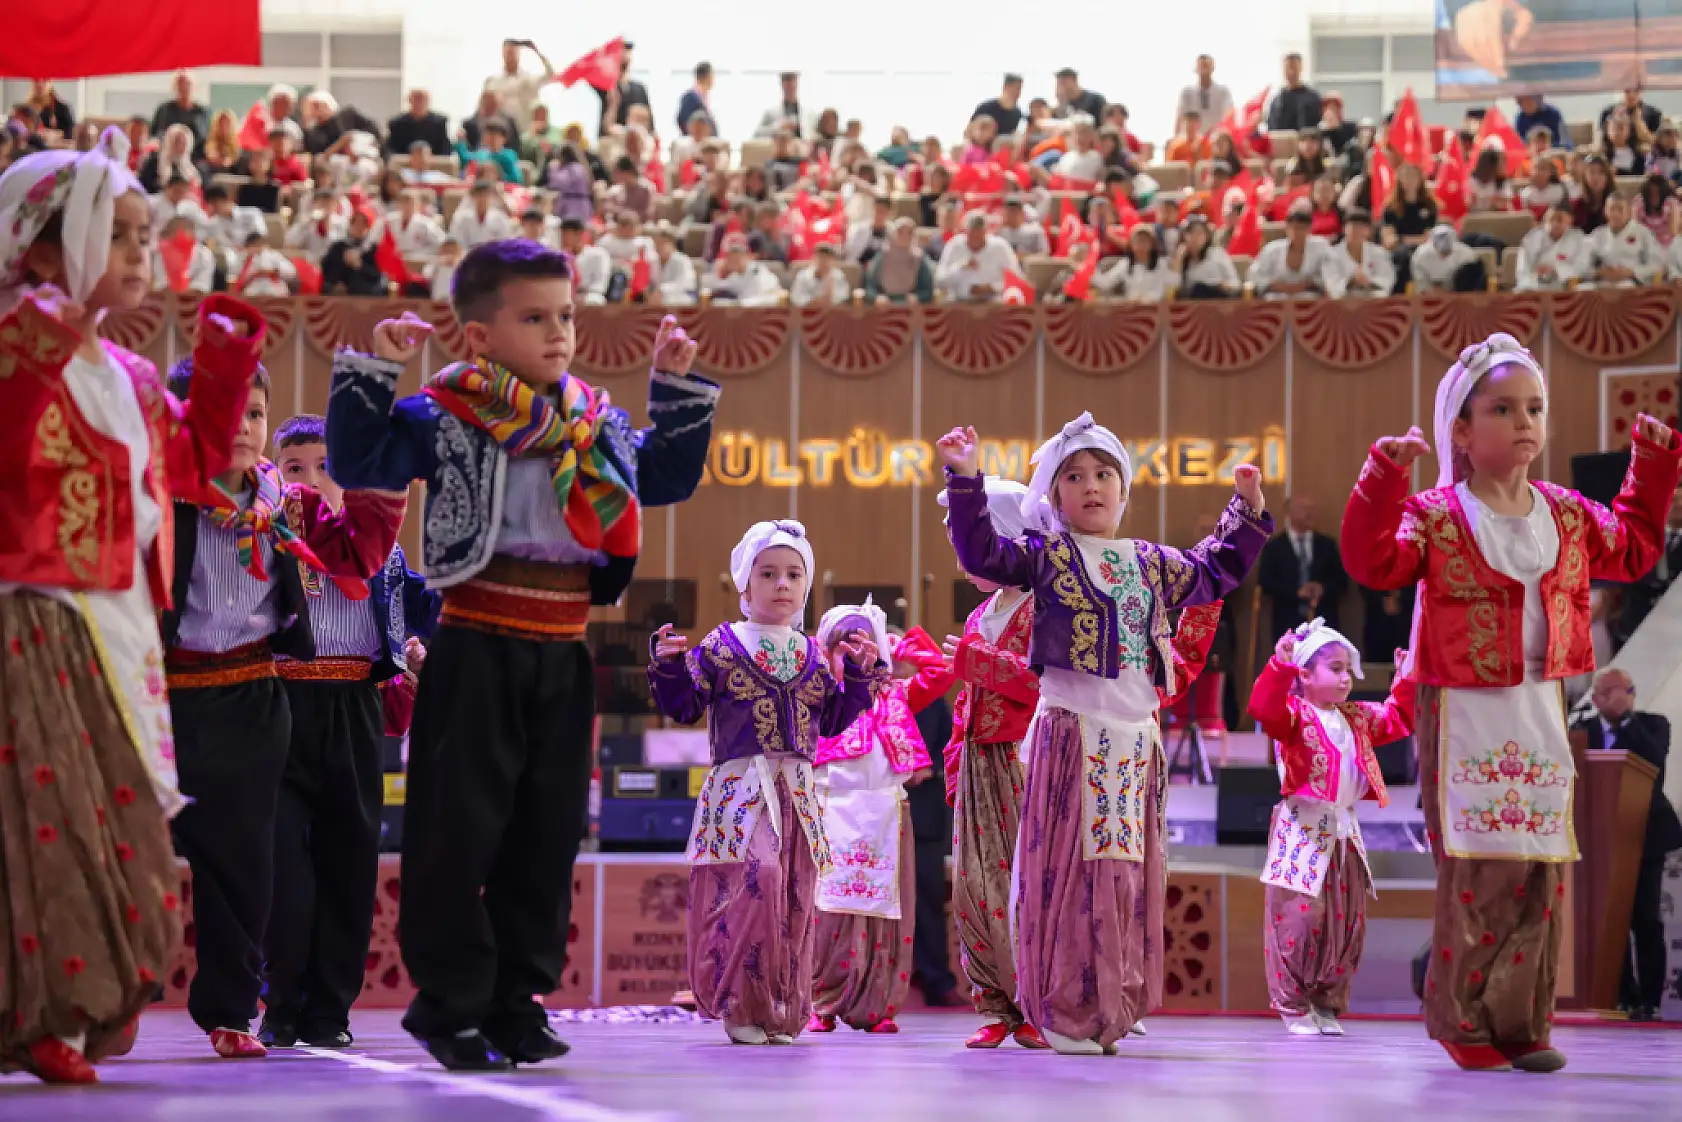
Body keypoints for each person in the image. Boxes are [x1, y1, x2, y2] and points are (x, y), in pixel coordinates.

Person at [323, 248, 718, 1070]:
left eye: (566, 316)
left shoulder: (595, 423)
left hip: (563, 654)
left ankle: (513, 1000)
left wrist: (674, 390)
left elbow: (667, 478)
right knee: (456, 834)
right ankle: (450, 1006)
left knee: (546, 836)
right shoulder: (449, 415)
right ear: (479, 335)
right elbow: (362, 460)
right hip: (476, 646)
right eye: (535, 318)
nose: (559, 334)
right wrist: (375, 369)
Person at [0, 130, 267, 1085]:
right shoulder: (18, 347)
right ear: (42, 247)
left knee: (118, 825)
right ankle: (52, 1017)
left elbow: (193, 468)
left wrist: (227, 359)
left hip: (120, 629)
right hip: (30, 621)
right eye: (116, 234)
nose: (139, 256)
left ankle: (66, 1014)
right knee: (53, 815)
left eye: (144, 236)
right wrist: (46, 314)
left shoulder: (131, 375)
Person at [1341, 333, 1681, 1072]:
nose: (1525, 420)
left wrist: (1651, 469)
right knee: (1479, 869)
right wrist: (1383, 478)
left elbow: (1633, 550)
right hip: (1463, 711)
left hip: (1540, 709)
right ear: (1461, 430)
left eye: (1535, 407)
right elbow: (1372, 561)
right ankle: (1465, 1026)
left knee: (1538, 867)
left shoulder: (1564, 513)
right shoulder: (1434, 515)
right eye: (1503, 408)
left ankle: (1524, 1023)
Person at [936, 414, 1272, 1054]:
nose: (1091, 486)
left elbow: (1213, 570)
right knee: (1066, 874)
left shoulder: (1150, 562)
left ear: (1124, 490)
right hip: (1070, 736)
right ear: (1054, 497)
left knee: (1119, 877)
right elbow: (984, 552)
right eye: (1074, 476)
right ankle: (1062, 1008)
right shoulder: (1047, 558)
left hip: (1132, 744)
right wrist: (965, 477)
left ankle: (1108, 1005)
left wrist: (1246, 509)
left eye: (1104, 474)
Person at [162, 341, 405, 1062]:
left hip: (252, 695)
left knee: (245, 866)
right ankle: (102, 998)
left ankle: (232, 1011)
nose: (243, 425)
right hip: (164, 696)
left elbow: (359, 557)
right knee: (133, 852)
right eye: (225, 409)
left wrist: (374, 453)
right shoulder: (156, 497)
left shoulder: (288, 503)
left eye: (256, 411)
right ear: (185, 419)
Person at [648, 522, 878, 1045]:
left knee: (794, 896)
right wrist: (666, 668)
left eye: (794, 574)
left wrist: (858, 680)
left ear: (807, 586)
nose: (782, 584)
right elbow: (685, 705)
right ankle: (739, 1003)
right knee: (759, 880)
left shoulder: (813, 653)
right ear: (744, 586)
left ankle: (780, 1009)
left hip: (796, 793)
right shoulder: (721, 646)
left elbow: (833, 720)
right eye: (768, 573)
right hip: (740, 792)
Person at [258, 416, 440, 1050]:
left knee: (351, 863)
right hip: (278, 705)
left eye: (325, 467)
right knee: (282, 866)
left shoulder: (384, 553)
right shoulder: (265, 542)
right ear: (274, 476)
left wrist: (422, 653)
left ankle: (330, 1009)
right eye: (294, 468)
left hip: (356, 709)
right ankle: (279, 1007)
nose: (312, 481)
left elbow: (429, 612)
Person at [1250, 622, 1415, 1036]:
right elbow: (1263, 707)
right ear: (1306, 675)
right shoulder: (1293, 715)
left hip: (1343, 831)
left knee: (1346, 921)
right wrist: (1279, 664)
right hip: (1302, 828)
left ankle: (1327, 1003)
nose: (1345, 678)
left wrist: (1407, 678)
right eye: (1336, 669)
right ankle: (1292, 1003)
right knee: (1301, 918)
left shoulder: (1355, 718)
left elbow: (1398, 718)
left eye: (1347, 670)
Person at [931, 478, 1047, 1049]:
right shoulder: (983, 612)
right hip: (979, 758)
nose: (962, 554)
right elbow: (966, 694)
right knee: (975, 885)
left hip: (1023, 756)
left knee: (1022, 881)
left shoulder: (1047, 603)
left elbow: (1049, 683)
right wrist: (956, 758)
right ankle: (996, 1002)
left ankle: (1037, 1001)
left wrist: (979, 663)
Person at [808, 604, 950, 1035]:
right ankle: (822, 1002)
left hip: (888, 812)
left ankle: (878, 1006)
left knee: (886, 914)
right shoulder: (821, 696)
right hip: (833, 809)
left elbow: (941, 673)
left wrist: (902, 645)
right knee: (831, 912)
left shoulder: (896, 692)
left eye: (862, 640)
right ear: (826, 649)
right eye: (843, 643)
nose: (854, 651)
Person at [1573, 670, 1681, 1021]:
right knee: (1607, 919)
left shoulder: (1653, 725)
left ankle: (1649, 1001)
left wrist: (1627, 720)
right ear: (1595, 697)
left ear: (1632, 694)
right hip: (1596, 839)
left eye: (1620, 692)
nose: (1612, 698)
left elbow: (1655, 765)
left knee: (1644, 917)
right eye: (1604, 692)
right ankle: (1619, 996)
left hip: (1644, 836)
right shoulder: (1581, 729)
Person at [1258, 495, 1348, 647]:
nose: (1309, 513)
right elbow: (1265, 582)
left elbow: (1341, 580)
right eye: (1303, 509)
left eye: (1312, 509)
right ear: (1289, 512)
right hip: (1287, 622)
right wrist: (1296, 592)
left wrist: (1322, 589)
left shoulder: (1326, 545)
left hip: (1323, 621)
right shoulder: (1275, 547)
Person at [935, 213, 1021, 303]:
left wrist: (993, 287)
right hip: (960, 300)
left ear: (986, 232)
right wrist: (960, 267)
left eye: (979, 234)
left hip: (994, 300)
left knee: (1014, 295)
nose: (975, 238)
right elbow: (940, 280)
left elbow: (1016, 278)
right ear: (965, 232)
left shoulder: (1000, 246)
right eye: (972, 234)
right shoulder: (954, 245)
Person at [1252, 207, 1331, 298]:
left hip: (1309, 296)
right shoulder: (1272, 249)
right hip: (1277, 296)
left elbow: (1331, 274)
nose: (1295, 232)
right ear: (1286, 229)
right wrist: (1275, 285)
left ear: (1309, 229)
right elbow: (1255, 274)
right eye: (1292, 228)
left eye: (1301, 228)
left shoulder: (1321, 246)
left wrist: (1309, 284)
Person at [1587, 194, 1663, 288]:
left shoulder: (1643, 233)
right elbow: (1582, 264)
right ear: (1605, 211)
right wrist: (1599, 272)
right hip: (1603, 281)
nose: (1615, 214)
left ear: (1629, 211)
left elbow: (1657, 264)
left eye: (1620, 209)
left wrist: (1632, 272)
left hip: (1632, 283)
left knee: (1624, 287)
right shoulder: (1598, 234)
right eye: (1612, 209)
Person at [485, 38, 556, 131]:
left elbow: (550, 74)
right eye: (507, 52)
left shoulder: (528, 79)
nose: (510, 56)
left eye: (512, 52)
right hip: (499, 132)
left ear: (518, 54)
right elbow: (483, 105)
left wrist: (537, 52)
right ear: (502, 54)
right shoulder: (493, 82)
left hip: (523, 131)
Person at [1323, 210, 1397, 298]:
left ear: (1369, 231)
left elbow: (1388, 278)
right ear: (1344, 229)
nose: (1357, 230)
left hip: (1372, 297)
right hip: (1344, 300)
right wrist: (1350, 282)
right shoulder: (1332, 254)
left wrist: (1369, 281)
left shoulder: (1379, 252)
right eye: (1353, 226)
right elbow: (1331, 283)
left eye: (1362, 227)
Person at [1515, 205, 1586, 291]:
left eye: (1559, 220)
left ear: (1570, 220)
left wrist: (1556, 270)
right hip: (1535, 286)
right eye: (1551, 219)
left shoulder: (1578, 238)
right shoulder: (1532, 238)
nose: (1555, 224)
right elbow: (1522, 269)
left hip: (1565, 286)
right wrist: (1530, 283)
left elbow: (1582, 268)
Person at [866, 218, 934, 304]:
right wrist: (876, 297)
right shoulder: (882, 256)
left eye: (909, 232)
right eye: (900, 231)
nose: (904, 235)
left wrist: (918, 297)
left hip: (910, 308)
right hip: (885, 307)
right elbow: (870, 286)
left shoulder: (919, 258)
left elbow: (927, 290)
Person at [152, 72, 210, 154]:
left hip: (195, 156)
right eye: (180, 83)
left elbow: (205, 136)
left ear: (194, 87)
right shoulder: (164, 109)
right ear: (174, 87)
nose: (184, 87)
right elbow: (156, 133)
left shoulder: (202, 111)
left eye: (187, 84)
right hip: (167, 155)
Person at [386, 90, 452, 160]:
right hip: (405, 162)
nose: (419, 104)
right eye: (416, 101)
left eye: (422, 101)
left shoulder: (439, 122)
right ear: (410, 101)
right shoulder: (397, 123)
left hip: (433, 163)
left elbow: (445, 147)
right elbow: (390, 147)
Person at [1268, 53, 1323, 135]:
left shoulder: (1313, 98)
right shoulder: (1276, 101)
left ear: (1301, 68)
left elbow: (1319, 128)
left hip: (1307, 145)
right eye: (1287, 69)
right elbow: (1271, 130)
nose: (1291, 72)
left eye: (1294, 68)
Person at [1178, 54, 1233, 133]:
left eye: (1207, 66)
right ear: (1196, 69)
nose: (1204, 70)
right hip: (1193, 139)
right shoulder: (1187, 92)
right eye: (1201, 66)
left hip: (1216, 138)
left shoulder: (1223, 91)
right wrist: (1176, 139)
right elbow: (1180, 116)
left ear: (1213, 68)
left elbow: (1230, 113)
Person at [974, 74, 1025, 139]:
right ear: (1005, 87)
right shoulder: (986, 107)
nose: (1018, 92)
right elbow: (969, 131)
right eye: (1015, 88)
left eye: (1019, 89)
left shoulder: (1017, 113)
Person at [676, 61, 714, 134]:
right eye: (712, 76)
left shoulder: (703, 96)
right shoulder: (690, 97)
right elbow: (682, 120)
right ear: (707, 77)